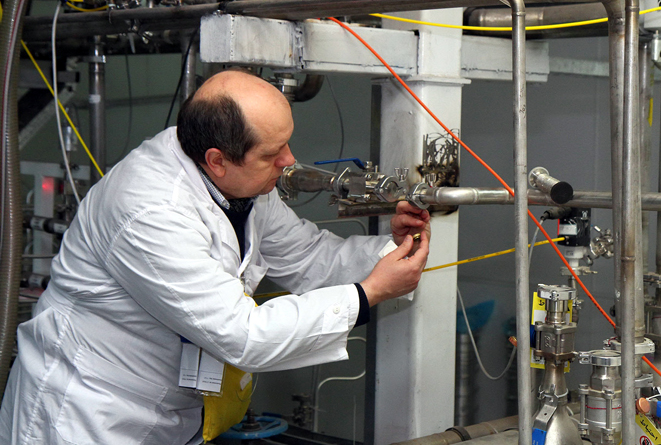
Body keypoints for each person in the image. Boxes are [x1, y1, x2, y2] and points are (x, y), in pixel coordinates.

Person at [0, 70, 430, 444]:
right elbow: (242, 335)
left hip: (170, 411)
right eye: (272, 154)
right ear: (217, 160)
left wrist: (391, 250)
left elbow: (308, 256)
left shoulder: (238, 182)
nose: (289, 161)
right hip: (88, 417)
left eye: (286, 144)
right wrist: (368, 293)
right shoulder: (149, 210)